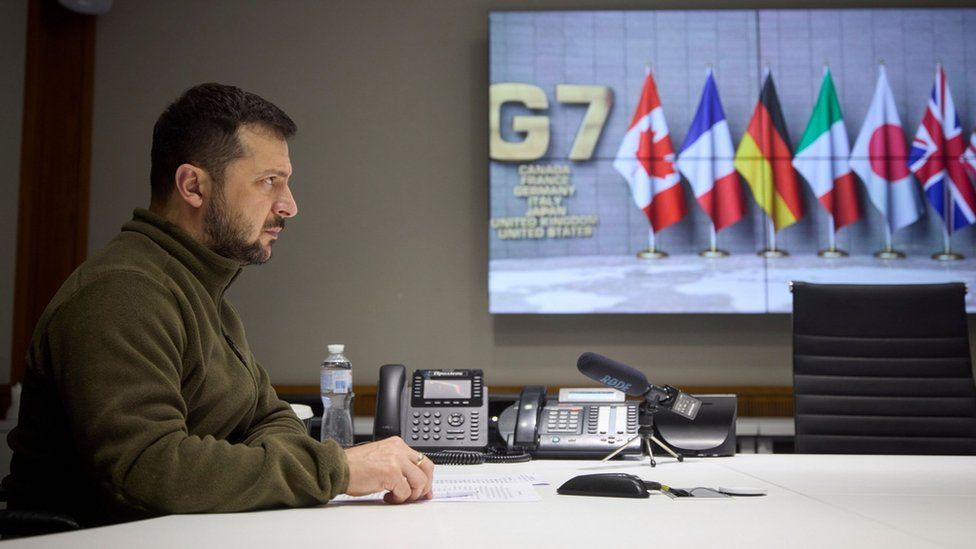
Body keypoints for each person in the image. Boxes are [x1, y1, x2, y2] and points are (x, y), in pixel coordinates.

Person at [3, 83, 434, 527]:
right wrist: (337, 469)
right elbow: (150, 469)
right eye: (269, 182)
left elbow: (269, 418)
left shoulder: (203, 290)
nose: (289, 206)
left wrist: (276, 465)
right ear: (192, 186)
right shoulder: (123, 292)